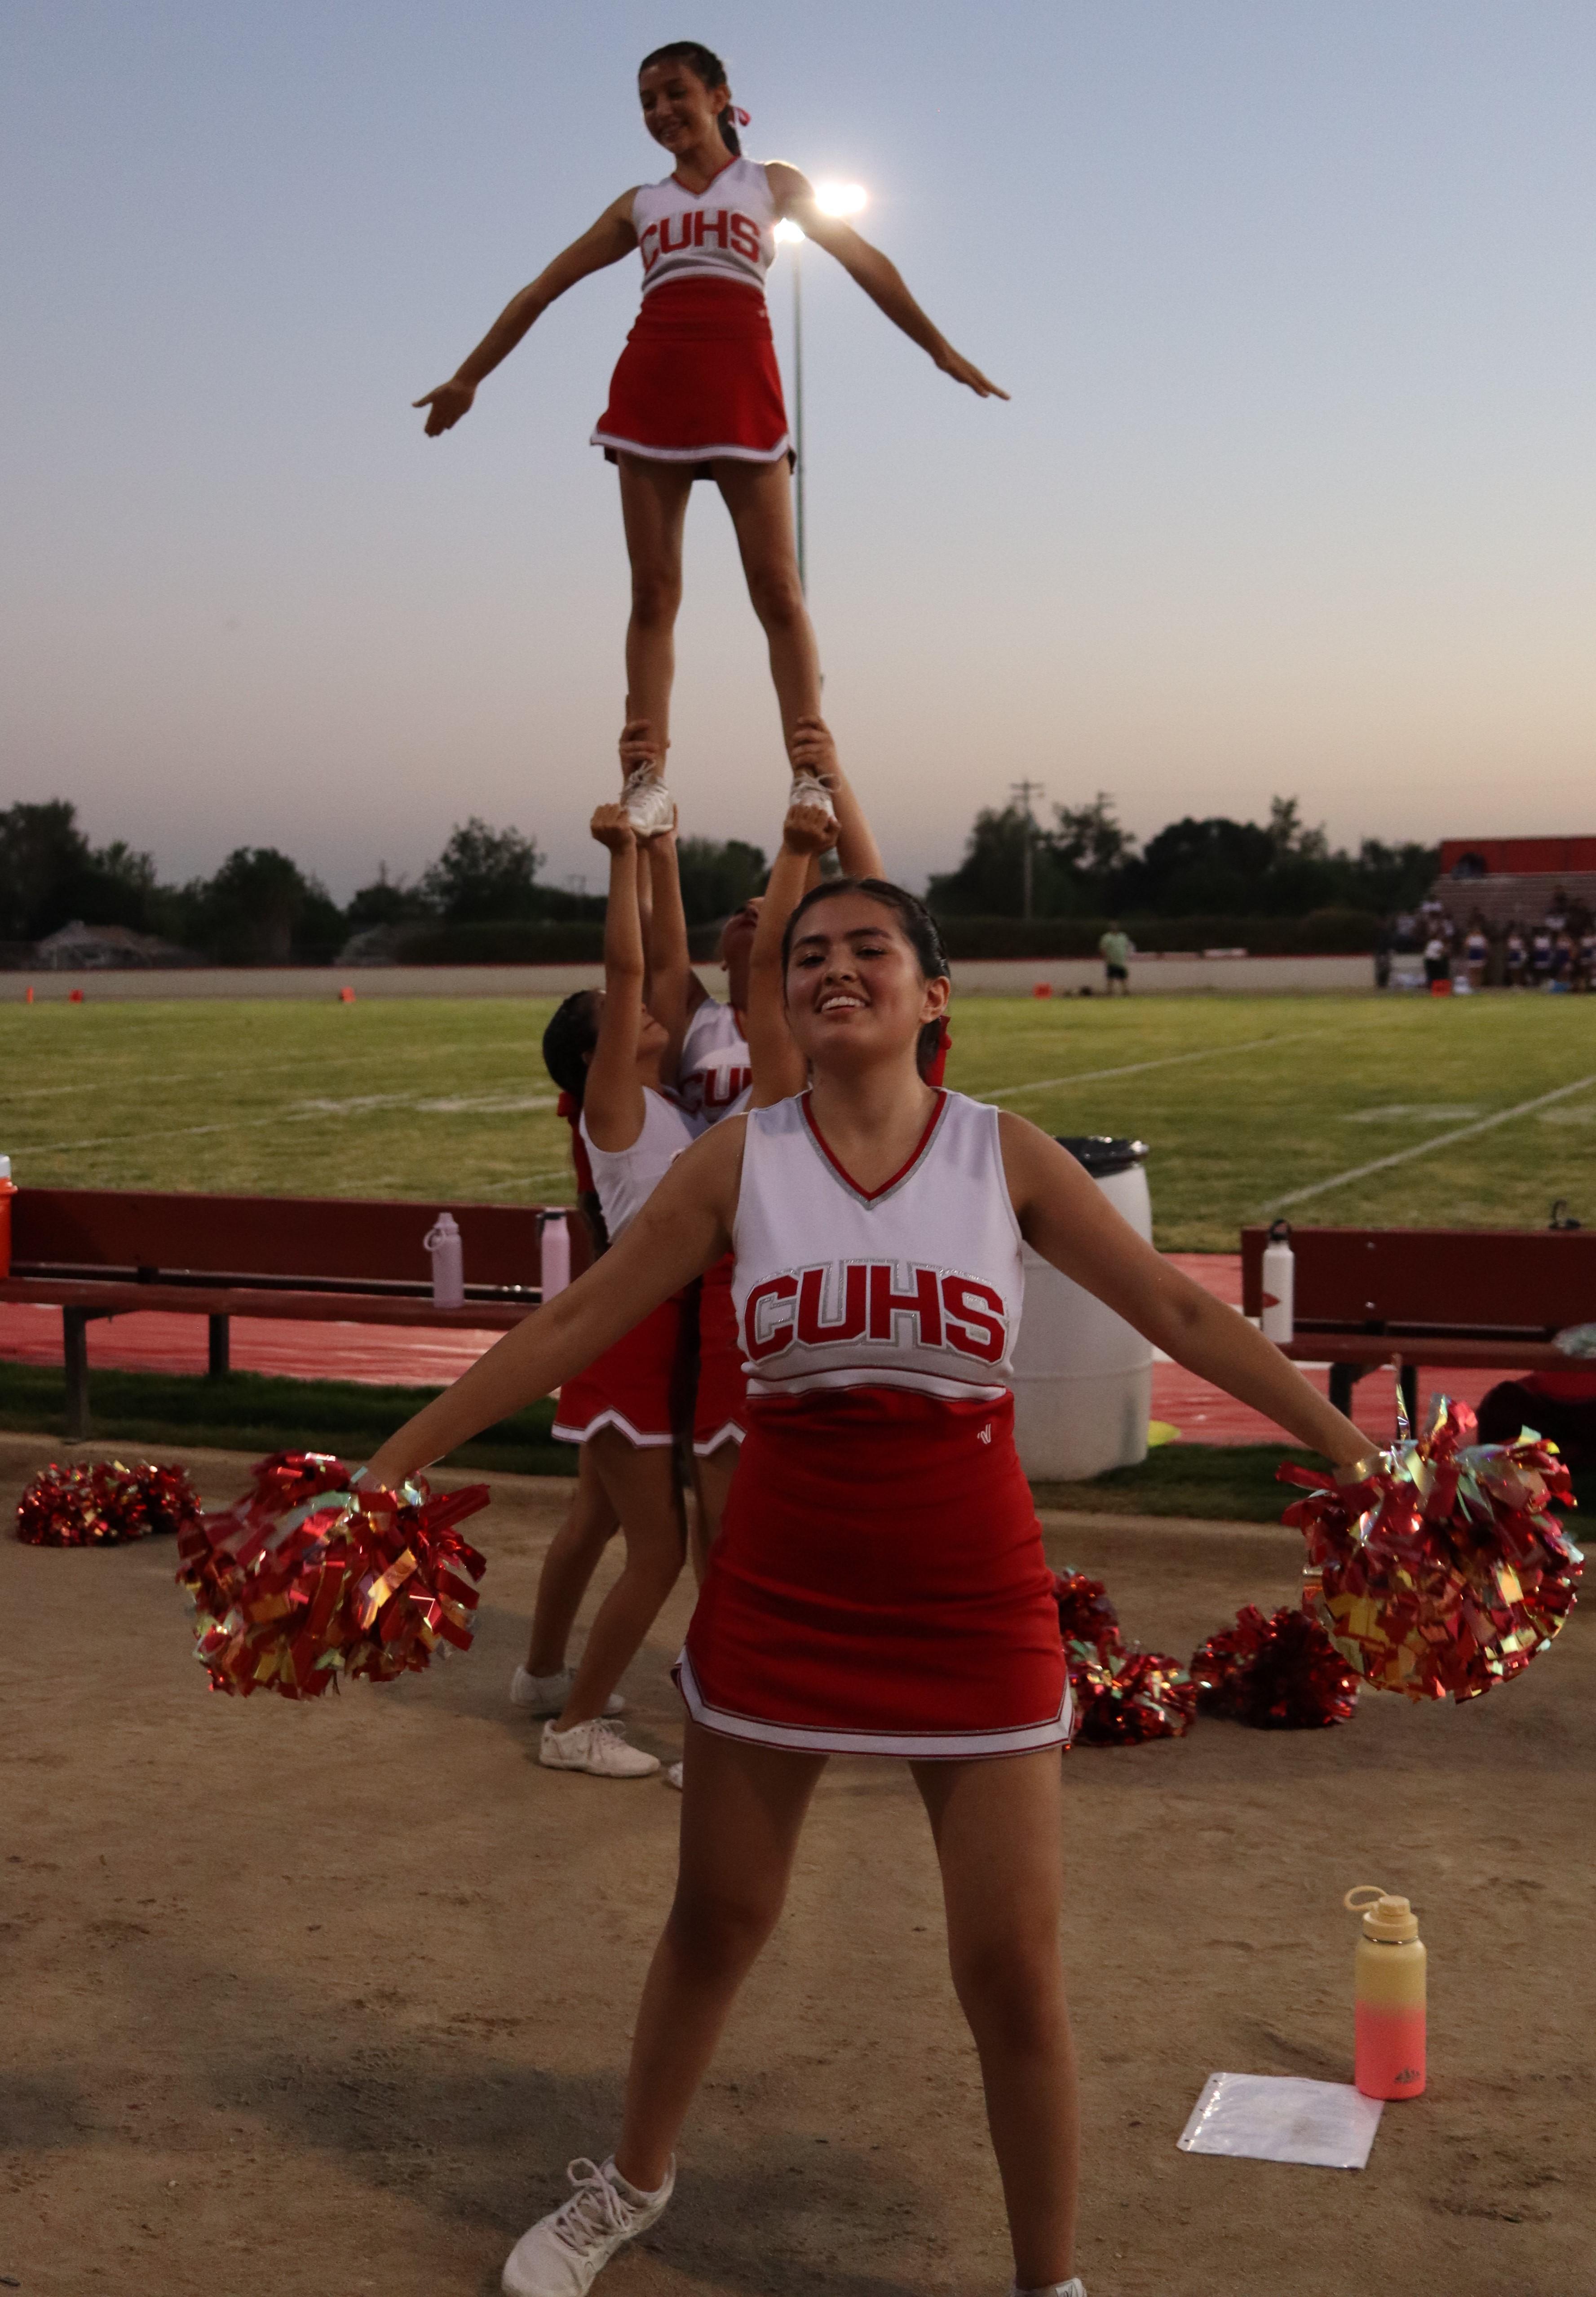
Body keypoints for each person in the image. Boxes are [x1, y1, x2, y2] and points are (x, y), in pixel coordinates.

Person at [363, 874, 1376, 2297]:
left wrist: (1359, 1458)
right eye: (808, 956)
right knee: (716, 1918)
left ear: (931, 993)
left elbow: (1175, 1308)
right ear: (781, 999)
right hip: (781, 1597)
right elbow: (579, 1316)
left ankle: (1049, 2282)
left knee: (1009, 1967)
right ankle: (633, 2184)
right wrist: (386, 1468)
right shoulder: (740, 1163)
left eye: (868, 949)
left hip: (972, 1604)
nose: (834, 969)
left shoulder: (1000, 1154)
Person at [413, 42, 1008, 829]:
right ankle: (647, 777)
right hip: (651, 391)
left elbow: (863, 259)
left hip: (742, 391)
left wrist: (938, 348)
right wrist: (469, 377)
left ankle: (810, 770)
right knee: (652, 592)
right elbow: (541, 289)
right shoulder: (639, 204)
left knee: (778, 590)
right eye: (646, 102)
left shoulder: (772, 184)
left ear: (719, 95)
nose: (660, 112)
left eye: (674, 93)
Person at [526, 803, 695, 1779]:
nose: (642, 1011)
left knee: (592, 1519)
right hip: (637, 1339)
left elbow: (662, 969)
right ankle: (573, 1727)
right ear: (596, 1059)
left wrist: (661, 851)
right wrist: (622, 856)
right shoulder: (615, 1107)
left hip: (632, 1337)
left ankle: (543, 1674)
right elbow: (632, 972)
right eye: (619, 1016)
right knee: (661, 1551)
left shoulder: (653, 1102)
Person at [1097, 921, 1132, 996]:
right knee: (1111, 977)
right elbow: (1103, 948)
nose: (1115, 928)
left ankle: (1125, 991)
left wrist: (1127, 955)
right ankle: (1110, 992)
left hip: (1121, 961)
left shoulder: (1123, 936)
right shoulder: (1107, 937)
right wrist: (1107, 957)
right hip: (1111, 961)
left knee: (1123, 977)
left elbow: (1128, 946)